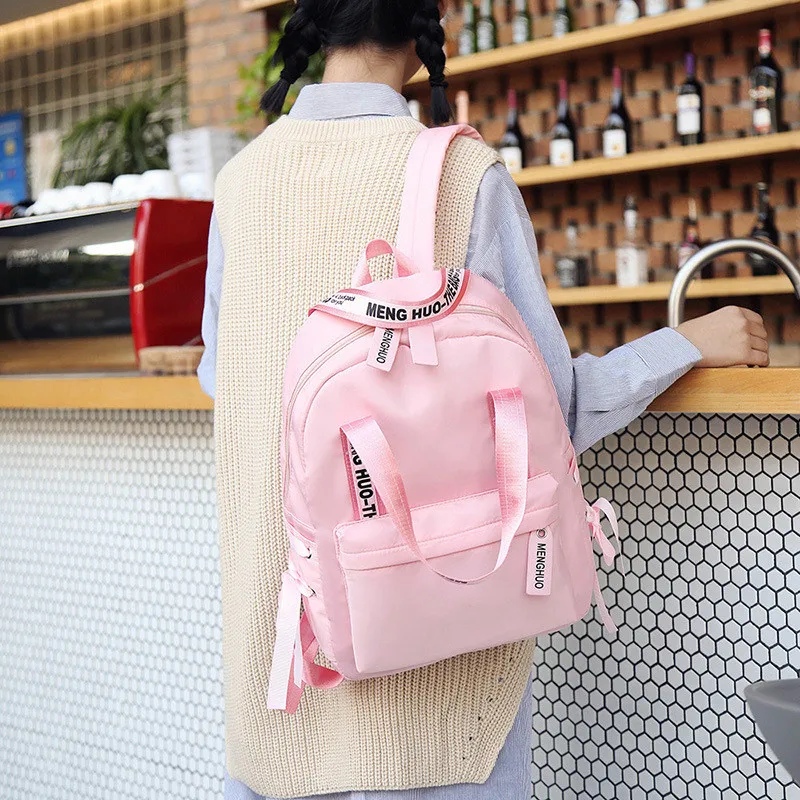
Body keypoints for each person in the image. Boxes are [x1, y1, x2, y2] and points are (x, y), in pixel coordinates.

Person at [197, 2, 770, 798]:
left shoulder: (240, 182)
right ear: (426, 25)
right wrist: (684, 345)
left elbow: (224, 381)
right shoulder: (460, 175)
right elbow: (550, 413)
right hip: (434, 694)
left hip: (283, 674)